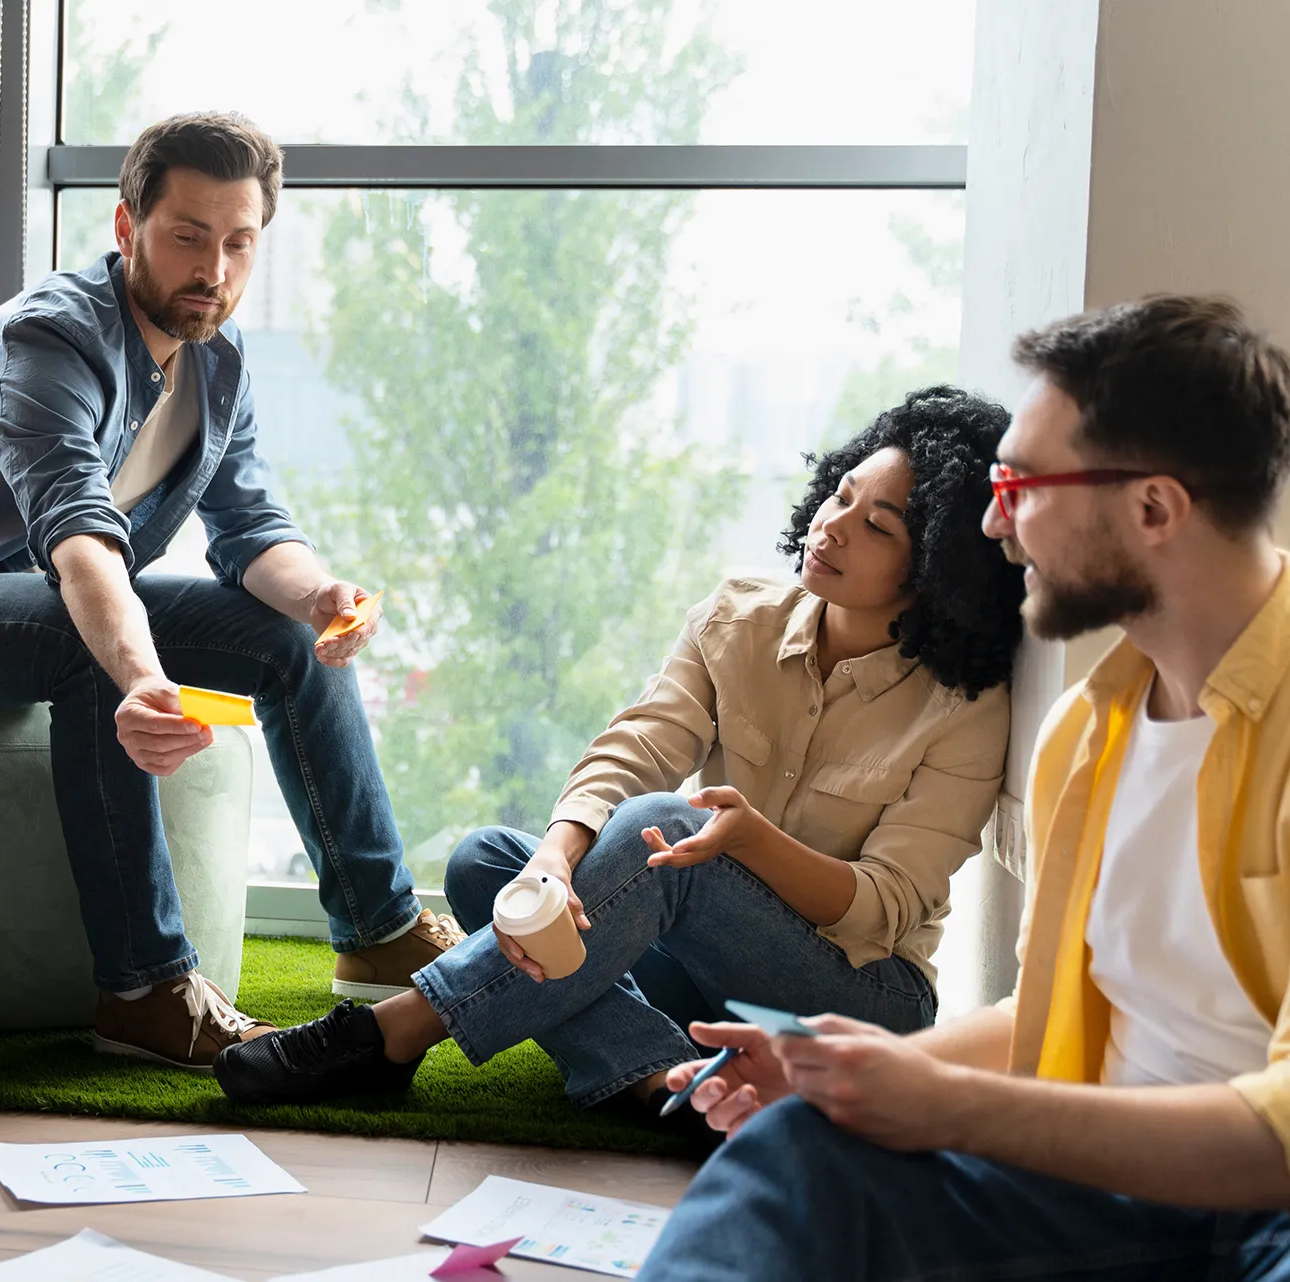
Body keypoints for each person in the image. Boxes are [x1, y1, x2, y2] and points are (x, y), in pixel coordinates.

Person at [634, 295, 1290, 1280]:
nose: (993, 522)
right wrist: (839, 1068)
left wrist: (947, 1103)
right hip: (1102, 1190)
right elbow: (1045, 1014)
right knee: (797, 1151)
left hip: (1268, 1215)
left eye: (1019, 485)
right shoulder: (1088, 732)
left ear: (1155, 507)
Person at [0, 111, 457, 1071]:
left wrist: (317, 597)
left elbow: (253, 529)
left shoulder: (218, 363)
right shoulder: (47, 341)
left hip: (54, 600)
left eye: (239, 243)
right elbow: (81, 543)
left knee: (277, 636)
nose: (214, 269)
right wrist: (143, 674)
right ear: (125, 227)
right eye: (188, 236)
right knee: (91, 637)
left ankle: (377, 927)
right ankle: (145, 989)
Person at [216, 387, 1026, 1123]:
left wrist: (747, 844)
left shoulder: (965, 708)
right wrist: (554, 863)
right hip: (702, 970)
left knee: (669, 831)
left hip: (858, 995)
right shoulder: (737, 617)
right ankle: (667, 1081)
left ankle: (393, 1035)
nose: (834, 525)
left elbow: (881, 908)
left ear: (933, 574)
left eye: (877, 527)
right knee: (491, 866)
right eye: (843, 495)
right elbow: (639, 746)